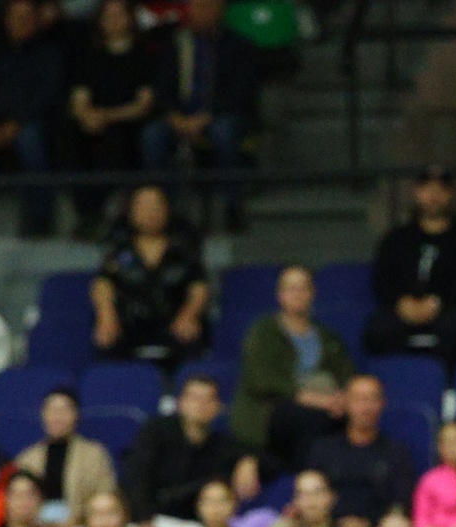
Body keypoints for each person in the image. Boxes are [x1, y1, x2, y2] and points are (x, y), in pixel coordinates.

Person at [140, 0, 260, 231]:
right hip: (180, 116)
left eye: (206, 6)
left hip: (221, 115)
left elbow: (241, 93)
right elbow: (162, 88)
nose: (200, 12)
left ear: (220, 9)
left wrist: (206, 117)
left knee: (224, 133)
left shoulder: (239, 45)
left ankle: (232, 205)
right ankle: (163, 209)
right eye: (195, 6)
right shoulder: (176, 43)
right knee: (153, 135)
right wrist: (175, 117)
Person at [232, 265, 357, 465]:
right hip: (272, 414)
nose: (297, 294)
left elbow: (346, 374)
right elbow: (262, 380)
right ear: (280, 295)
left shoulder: (328, 337)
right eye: (291, 288)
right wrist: (312, 399)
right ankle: (307, 474)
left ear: (312, 293)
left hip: (325, 407)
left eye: (303, 288)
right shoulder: (263, 332)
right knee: (306, 416)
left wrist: (342, 398)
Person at [365, 165, 456, 368]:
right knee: (377, 330)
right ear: (416, 193)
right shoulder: (396, 240)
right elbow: (383, 279)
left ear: (450, 194)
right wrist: (402, 303)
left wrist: (438, 302)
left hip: (447, 312)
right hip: (402, 310)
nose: (433, 196)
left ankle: (446, 382)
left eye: (440, 190)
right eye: (427, 189)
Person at [124, 375, 258, 527]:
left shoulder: (223, 445)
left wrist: (249, 461)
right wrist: (144, 521)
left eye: (208, 399)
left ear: (218, 407)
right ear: (180, 403)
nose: (201, 405)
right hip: (149, 520)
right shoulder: (155, 432)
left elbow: (272, 460)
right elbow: (136, 477)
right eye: (194, 398)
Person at [91, 186, 211, 369]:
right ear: (131, 211)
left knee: (191, 339)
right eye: (143, 206)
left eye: (156, 206)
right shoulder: (118, 247)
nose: (150, 212)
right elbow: (103, 284)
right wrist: (106, 316)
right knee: (105, 341)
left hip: (173, 322)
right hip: (129, 324)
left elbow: (198, 287)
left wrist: (189, 314)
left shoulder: (184, 248)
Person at [68, 0, 155, 238]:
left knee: (115, 141)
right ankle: (87, 212)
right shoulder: (90, 57)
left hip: (128, 125)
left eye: (119, 15)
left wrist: (106, 117)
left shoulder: (143, 56)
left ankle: (96, 212)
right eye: (108, 16)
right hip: (95, 124)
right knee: (68, 136)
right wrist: (87, 116)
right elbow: (79, 97)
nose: (114, 21)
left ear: (130, 19)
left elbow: (143, 105)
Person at [304, 374, 416, 527]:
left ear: (382, 404)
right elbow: (309, 491)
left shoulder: (396, 452)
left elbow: (402, 503)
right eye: (359, 399)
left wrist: (368, 524)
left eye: (372, 399)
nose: (366, 407)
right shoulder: (323, 449)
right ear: (346, 403)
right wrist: (336, 523)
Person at [0, 0, 65, 237]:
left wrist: (15, 123)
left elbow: (49, 96)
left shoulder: (48, 53)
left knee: (30, 138)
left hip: (32, 122)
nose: (22, 22)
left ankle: (39, 219)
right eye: (17, 17)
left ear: (37, 20)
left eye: (27, 17)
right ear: (6, 21)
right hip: (0, 123)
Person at [16, 388, 117, 527]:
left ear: (76, 415)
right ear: (43, 414)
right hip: (35, 526)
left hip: (81, 526)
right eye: (52, 410)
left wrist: (74, 522)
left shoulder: (94, 454)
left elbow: (106, 494)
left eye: (64, 410)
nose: (58, 416)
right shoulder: (27, 458)